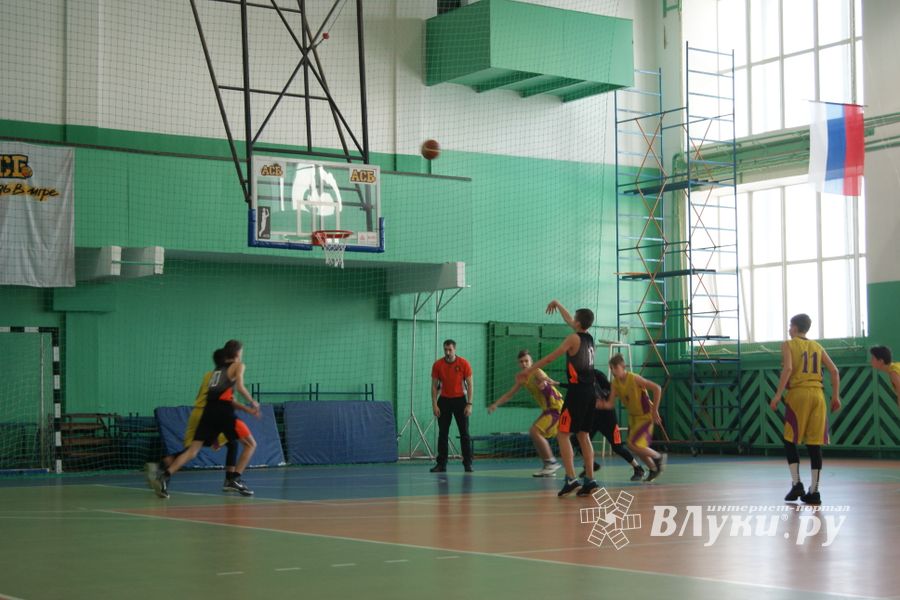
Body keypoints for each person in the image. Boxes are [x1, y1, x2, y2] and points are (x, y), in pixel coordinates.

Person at [152, 340, 261, 498]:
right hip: (224, 412)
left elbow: (218, 395)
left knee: (193, 450)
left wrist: (245, 410)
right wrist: (252, 402)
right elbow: (240, 387)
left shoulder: (216, 370)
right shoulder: (238, 365)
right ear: (237, 353)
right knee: (251, 444)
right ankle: (234, 478)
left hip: (208, 411)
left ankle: (165, 475)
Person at [517, 300, 598, 497]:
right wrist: (558, 304)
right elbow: (569, 319)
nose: (572, 321)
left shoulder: (572, 339)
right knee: (583, 435)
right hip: (591, 392)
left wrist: (531, 369)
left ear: (578, 324)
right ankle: (590, 479)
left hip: (577, 393)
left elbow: (550, 357)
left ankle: (570, 478)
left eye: (574, 319)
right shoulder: (588, 338)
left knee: (563, 434)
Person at [770, 314, 841, 506]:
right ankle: (814, 491)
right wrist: (835, 396)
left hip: (799, 394)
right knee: (814, 443)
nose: (788, 330)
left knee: (789, 439)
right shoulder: (817, 346)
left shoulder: (789, 344)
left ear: (794, 327)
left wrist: (777, 395)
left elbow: (788, 369)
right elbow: (834, 371)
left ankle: (796, 484)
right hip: (818, 395)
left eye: (789, 326)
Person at [488, 349, 564, 477]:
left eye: (526, 361)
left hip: (556, 408)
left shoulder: (537, 371)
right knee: (535, 434)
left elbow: (546, 379)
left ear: (531, 362)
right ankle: (548, 466)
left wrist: (546, 383)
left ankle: (551, 463)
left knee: (534, 431)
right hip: (547, 410)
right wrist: (496, 404)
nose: (524, 364)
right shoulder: (522, 378)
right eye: (521, 362)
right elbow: (509, 395)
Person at [570, 368, 645, 482]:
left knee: (617, 447)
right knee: (576, 440)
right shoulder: (576, 376)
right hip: (592, 418)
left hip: (607, 417)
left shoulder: (596, 374)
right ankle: (591, 465)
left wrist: (601, 399)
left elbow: (610, 389)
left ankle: (638, 468)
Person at [607, 354, 666, 482]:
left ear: (623, 367)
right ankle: (654, 469)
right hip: (633, 418)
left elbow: (657, 388)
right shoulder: (615, 383)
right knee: (636, 447)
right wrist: (596, 403)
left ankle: (657, 457)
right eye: (611, 368)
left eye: (615, 368)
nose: (613, 371)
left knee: (633, 445)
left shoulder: (634, 378)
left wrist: (655, 410)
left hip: (646, 416)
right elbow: (610, 403)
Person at [430, 339, 474, 473]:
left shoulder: (464, 363)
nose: (447, 352)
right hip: (444, 401)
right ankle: (441, 464)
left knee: (464, 433)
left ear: (455, 349)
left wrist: (469, 404)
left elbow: (470, 384)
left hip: (460, 401)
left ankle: (467, 464)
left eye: (450, 350)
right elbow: (434, 386)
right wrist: (435, 405)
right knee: (443, 433)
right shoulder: (438, 365)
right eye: (445, 350)